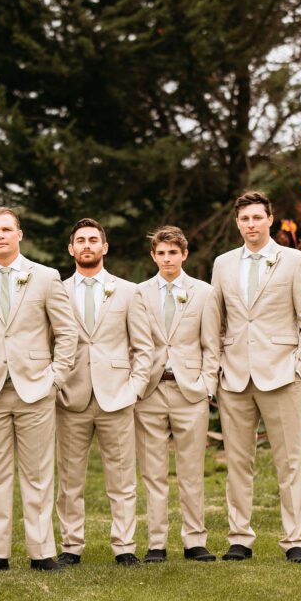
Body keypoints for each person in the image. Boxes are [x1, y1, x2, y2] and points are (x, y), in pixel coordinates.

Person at [0, 206, 78, 573]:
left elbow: (67, 332)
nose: (0, 236)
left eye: (6, 229)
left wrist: (55, 376)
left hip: (35, 390)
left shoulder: (45, 277)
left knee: (38, 474)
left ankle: (41, 552)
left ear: (19, 234)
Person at [211, 190, 301, 563]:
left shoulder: (294, 261)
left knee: (288, 462)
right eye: (244, 219)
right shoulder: (223, 264)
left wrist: (299, 366)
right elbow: (217, 320)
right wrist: (219, 366)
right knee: (238, 462)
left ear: (270, 219)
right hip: (235, 377)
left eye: (257, 217)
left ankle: (294, 541)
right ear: (237, 222)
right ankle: (240, 538)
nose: (251, 224)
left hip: (280, 374)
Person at [56, 218, 152, 567]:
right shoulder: (57, 290)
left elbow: (144, 347)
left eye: (93, 240)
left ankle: (124, 546)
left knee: (122, 477)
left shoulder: (128, 291)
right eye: (80, 240)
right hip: (71, 397)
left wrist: (135, 389)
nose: (86, 245)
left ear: (105, 247)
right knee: (69, 479)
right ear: (71, 249)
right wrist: (57, 384)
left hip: (117, 397)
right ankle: (71, 546)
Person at [133, 226, 220, 563]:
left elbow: (212, 345)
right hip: (151, 391)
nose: (167, 258)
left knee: (191, 470)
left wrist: (207, 385)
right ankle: (157, 543)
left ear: (184, 254)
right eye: (161, 253)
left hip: (190, 392)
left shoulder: (204, 293)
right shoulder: (139, 293)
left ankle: (194, 541)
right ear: (154, 256)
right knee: (152, 471)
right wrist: (136, 388)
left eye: (173, 252)